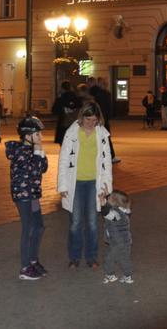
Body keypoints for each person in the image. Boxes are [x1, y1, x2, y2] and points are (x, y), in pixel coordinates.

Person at [58, 103, 113, 270]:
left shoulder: (102, 133)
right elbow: (63, 160)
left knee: (92, 223)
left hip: (93, 183)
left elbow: (107, 161)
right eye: (88, 119)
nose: (91, 123)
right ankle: (74, 257)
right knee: (75, 222)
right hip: (75, 182)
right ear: (82, 117)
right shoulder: (72, 133)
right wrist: (62, 185)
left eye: (94, 120)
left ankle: (91, 256)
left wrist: (107, 187)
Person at [5, 115, 48, 281]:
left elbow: (43, 167)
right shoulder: (21, 151)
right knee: (28, 229)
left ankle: (33, 259)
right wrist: (38, 152)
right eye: (38, 134)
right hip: (24, 195)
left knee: (39, 227)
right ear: (28, 135)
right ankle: (25, 267)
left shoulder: (32, 149)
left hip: (33, 194)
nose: (41, 137)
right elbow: (35, 170)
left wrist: (39, 150)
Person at [100, 190, 134, 285]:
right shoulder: (126, 211)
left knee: (109, 259)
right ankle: (128, 276)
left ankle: (110, 275)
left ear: (114, 202)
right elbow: (110, 207)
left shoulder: (115, 214)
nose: (108, 198)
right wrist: (107, 195)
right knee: (125, 258)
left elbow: (105, 212)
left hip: (116, 242)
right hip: (126, 241)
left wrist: (102, 203)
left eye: (110, 197)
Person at [88, 77, 119, 163]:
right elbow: (107, 108)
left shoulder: (95, 94)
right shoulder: (104, 94)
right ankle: (109, 156)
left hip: (98, 119)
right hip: (102, 119)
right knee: (105, 138)